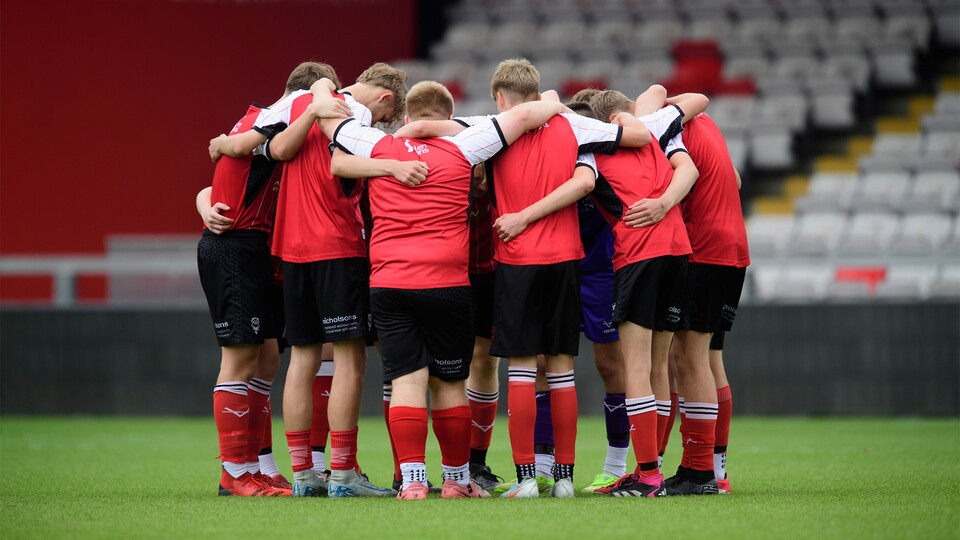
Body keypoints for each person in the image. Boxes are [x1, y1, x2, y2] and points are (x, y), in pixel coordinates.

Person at [319, 80, 574, 500]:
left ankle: (414, 482)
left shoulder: (375, 145)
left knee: (406, 382)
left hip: (389, 282)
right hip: (447, 284)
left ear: (405, 116)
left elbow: (329, 116)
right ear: (450, 116)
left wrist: (327, 85)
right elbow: (533, 111)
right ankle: (457, 481)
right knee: (450, 384)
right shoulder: (466, 145)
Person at [479, 58, 652, 499]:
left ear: (500, 97)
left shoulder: (492, 129)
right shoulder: (574, 131)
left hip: (518, 260)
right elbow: (636, 135)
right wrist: (557, 108)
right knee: (561, 370)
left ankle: (525, 481)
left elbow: (442, 138)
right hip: (566, 260)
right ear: (539, 95)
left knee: (521, 368)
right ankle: (563, 480)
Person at [245, 62, 410, 498]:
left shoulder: (300, 102)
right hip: (336, 245)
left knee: (302, 359)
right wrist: (390, 166)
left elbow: (268, 147)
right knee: (350, 361)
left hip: (290, 248)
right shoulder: (349, 113)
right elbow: (340, 164)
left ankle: (302, 474)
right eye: (384, 118)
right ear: (385, 97)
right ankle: (341, 475)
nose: (378, 125)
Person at [197, 61, 347, 497]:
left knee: (266, 359)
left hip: (256, 249)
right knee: (240, 361)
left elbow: (219, 182)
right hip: (236, 247)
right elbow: (262, 157)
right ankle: (234, 474)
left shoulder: (263, 122)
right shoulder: (273, 121)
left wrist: (203, 199)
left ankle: (254, 465)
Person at [577, 89, 701, 497]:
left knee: (635, 367)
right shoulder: (657, 128)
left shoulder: (590, 149)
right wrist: (665, 202)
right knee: (658, 367)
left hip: (638, 255)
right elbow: (683, 100)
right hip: (678, 252)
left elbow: (579, 185)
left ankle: (647, 475)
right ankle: (655, 467)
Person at [625, 108, 749, 495]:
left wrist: (663, 203)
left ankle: (699, 473)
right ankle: (713, 469)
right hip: (731, 246)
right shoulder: (708, 124)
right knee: (710, 358)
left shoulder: (666, 130)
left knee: (687, 359)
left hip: (704, 250)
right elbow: (736, 179)